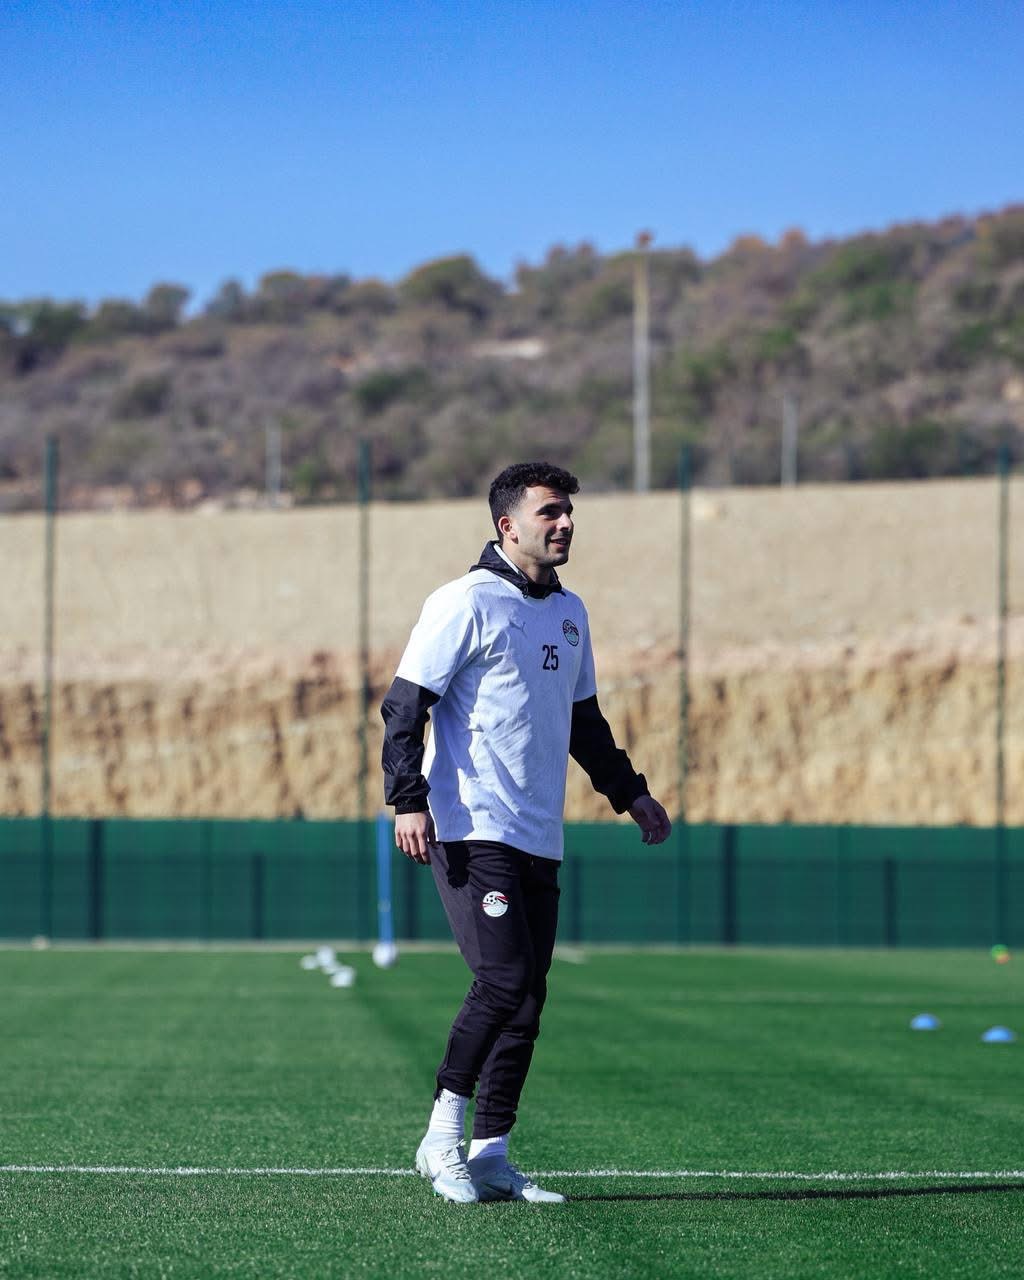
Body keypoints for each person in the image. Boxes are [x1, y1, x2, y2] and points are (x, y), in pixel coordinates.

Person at [380, 461, 671, 1204]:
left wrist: (631, 794)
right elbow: (405, 706)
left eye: (569, 512)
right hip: (470, 825)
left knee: (529, 998)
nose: (566, 523)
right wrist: (408, 799)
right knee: (503, 980)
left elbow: (584, 722)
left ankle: (491, 1153)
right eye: (550, 512)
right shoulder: (464, 601)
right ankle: (441, 1137)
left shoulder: (570, 612)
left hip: (539, 832)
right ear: (508, 526)